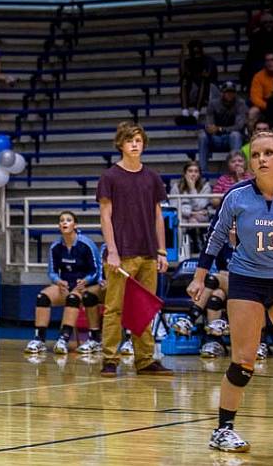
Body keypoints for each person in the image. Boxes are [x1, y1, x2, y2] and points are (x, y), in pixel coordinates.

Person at [188, 130, 273, 453]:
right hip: (246, 281)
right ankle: (223, 430)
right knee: (243, 362)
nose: (262, 159)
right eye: (256, 154)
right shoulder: (237, 195)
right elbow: (215, 237)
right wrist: (199, 278)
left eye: (269, 153)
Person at [97, 121, 173, 377]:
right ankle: (110, 358)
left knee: (143, 308)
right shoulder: (110, 177)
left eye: (139, 141)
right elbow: (105, 216)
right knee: (114, 309)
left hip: (148, 253)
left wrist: (162, 251)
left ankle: (145, 360)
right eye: (130, 140)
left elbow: (157, 216)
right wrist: (113, 251)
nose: (135, 145)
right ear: (121, 144)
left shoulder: (151, 177)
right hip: (122, 253)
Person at [24, 211, 103, 356]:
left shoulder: (86, 244)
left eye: (68, 220)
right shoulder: (55, 247)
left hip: (83, 286)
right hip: (65, 285)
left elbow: (96, 270)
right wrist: (58, 281)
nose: (64, 223)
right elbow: (52, 272)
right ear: (59, 226)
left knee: (72, 299)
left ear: (75, 225)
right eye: (61, 220)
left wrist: (86, 280)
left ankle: (63, 339)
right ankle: (39, 340)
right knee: (42, 297)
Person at [173, 242, 233, 358]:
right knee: (215, 296)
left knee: (212, 279)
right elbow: (222, 272)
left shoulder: (248, 243)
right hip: (227, 288)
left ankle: (191, 317)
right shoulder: (224, 246)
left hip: (247, 288)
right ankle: (214, 342)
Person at [199, 82, 247, 172]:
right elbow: (209, 124)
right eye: (227, 92)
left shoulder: (240, 103)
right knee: (202, 136)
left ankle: (237, 172)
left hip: (232, 139)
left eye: (232, 92)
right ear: (222, 93)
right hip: (216, 139)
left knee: (235, 135)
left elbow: (239, 126)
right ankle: (203, 173)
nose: (229, 94)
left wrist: (220, 129)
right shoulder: (213, 104)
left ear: (235, 93)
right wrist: (210, 128)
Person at [170, 161, 213, 255]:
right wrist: (191, 213)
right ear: (185, 173)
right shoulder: (176, 187)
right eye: (190, 171)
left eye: (196, 171)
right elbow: (174, 207)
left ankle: (199, 248)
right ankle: (180, 253)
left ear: (199, 174)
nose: (193, 174)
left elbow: (200, 205)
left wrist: (192, 188)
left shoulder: (206, 187)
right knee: (183, 222)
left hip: (200, 218)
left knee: (196, 221)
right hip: (183, 217)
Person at [180, 40, 219, 120]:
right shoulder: (189, 62)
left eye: (198, 52)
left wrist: (200, 75)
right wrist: (182, 54)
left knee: (203, 80)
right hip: (195, 91)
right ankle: (185, 113)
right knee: (184, 81)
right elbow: (183, 73)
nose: (196, 55)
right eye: (194, 53)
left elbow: (208, 75)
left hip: (209, 91)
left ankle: (196, 114)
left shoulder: (208, 60)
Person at [239, 12, 273, 88]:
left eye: (271, 22)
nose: (268, 24)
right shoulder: (256, 36)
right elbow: (252, 56)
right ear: (261, 24)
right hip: (260, 64)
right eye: (265, 22)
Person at [248, 52, 273, 129]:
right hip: (265, 105)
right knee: (252, 112)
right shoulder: (258, 76)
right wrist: (268, 107)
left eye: (272, 60)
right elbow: (255, 98)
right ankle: (252, 139)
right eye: (267, 60)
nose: (270, 63)